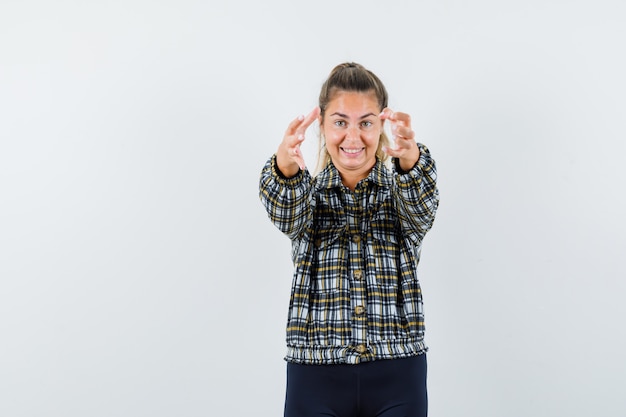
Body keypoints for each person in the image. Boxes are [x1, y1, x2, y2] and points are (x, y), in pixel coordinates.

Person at [258, 62, 439, 417]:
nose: (353, 138)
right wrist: (285, 166)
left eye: (366, 123)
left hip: (398, 371)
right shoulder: (306, 194)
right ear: (322, 125)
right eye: (340, 122)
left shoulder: (402, 189)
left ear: (382, 125)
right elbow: (285, 213)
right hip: (315, 374)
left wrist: (412, 159)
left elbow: (422, 208)